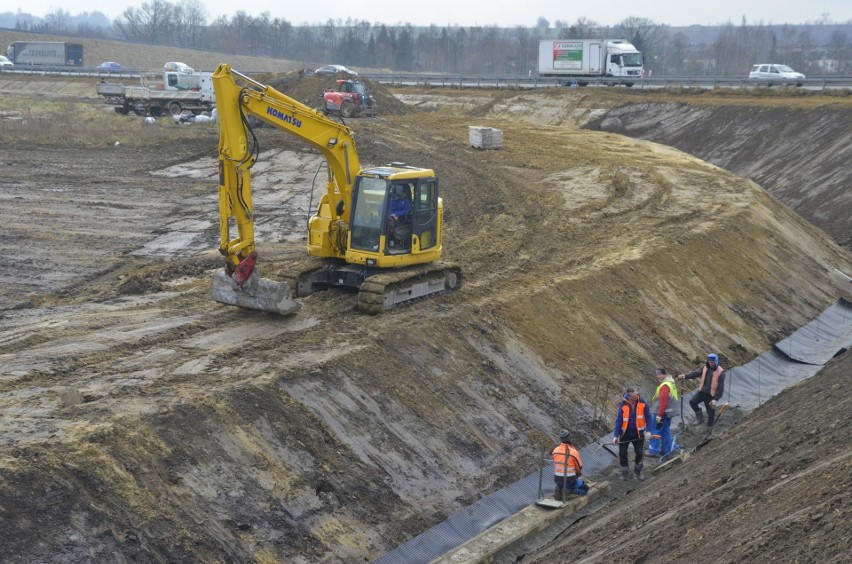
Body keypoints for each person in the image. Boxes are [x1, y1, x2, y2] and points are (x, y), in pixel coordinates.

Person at [612, 386, 652, 480]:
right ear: (629, 397)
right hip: (624, 434)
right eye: (634, 396)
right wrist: (615, 436)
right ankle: (624, 473)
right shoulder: (623, 404)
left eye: (637, 394)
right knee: (622, 454)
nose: (637, 396)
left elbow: (648, 417)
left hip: (638, 433)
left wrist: (649, 431)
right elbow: (619, 421)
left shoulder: (642, 402)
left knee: (639, 453)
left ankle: (638, 470)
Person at [678, 353, 725, 428]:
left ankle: (709, 429)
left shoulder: (720, 373)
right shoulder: (704, 367)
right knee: (692, 401)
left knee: (710, 414)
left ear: (716, 361)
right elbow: (695, 374)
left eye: (712, 362)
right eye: (709, 362)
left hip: (711, 396)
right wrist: (685, 376)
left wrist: (715, 399)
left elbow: (720, 388)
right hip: (702, 392)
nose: (710, 364)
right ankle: (700, 418)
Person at [648, 368, 679, 457]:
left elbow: (663, 402)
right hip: (668, 412)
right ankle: (667, 450)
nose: (657, 376)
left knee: (655, 431)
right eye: (656, 374)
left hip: (662, 412)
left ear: (664, 374)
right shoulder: (670, 383)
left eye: (659, 374)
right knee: (665, 431)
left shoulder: (665, 386)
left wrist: (659, 415)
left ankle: (653, 451)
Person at [552, 429, 585, 499]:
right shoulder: (573, 452)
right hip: (569, 480)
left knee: (564, 480)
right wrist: (578, 474)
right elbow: (579, 468)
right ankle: (570, 491)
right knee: (585, 489)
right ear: (570, 439)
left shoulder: (555, 450)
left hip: (557, 479)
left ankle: (561, 487)